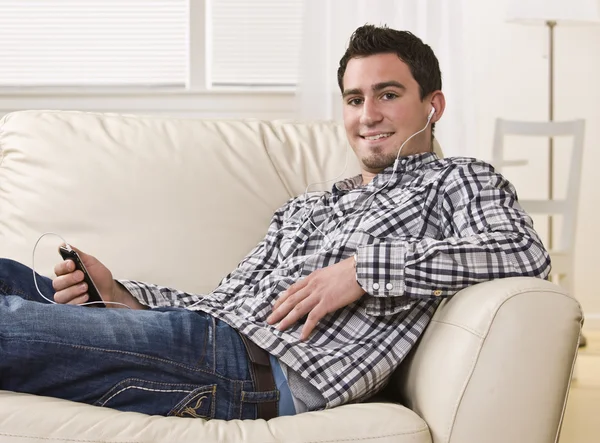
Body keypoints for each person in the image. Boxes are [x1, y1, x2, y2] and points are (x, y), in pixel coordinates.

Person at [0, 25, 551, 421]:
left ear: (433, 106)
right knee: (6, 275)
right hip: (210, 339)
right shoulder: (308, 205)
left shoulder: (458, 180)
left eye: (388, 94)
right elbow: (221, 303)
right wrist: (122, 292)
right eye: (354, 99)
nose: (368, 115)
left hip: (260, 372)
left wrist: (363, 270)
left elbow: (523, 252)